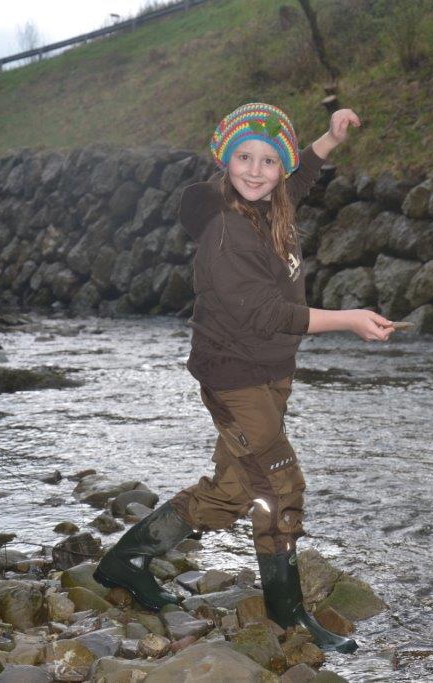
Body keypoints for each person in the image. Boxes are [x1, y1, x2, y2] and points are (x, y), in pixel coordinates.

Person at [93, 102, 394, 654]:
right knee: (279, 486)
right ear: (224, 160)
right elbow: (268, 313)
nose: (256, 171)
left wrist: (329, 139)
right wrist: (349, 319)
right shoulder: (228, 232)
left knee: (233, 491)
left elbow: (300, 178)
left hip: (269, 372)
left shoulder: (269, 202)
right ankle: (288, 617)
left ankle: (125, 560)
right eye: (244, 158)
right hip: (236, 377)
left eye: (269, 160)